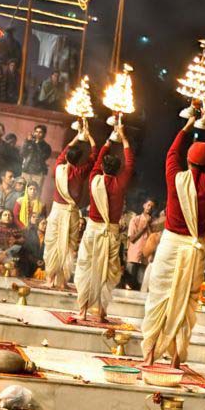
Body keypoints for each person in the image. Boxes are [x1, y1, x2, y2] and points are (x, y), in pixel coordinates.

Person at [141, 103, 205, 366]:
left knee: (159, 297)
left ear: (188, 161)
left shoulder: (174, 177)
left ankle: (149, 355)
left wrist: (188, 125)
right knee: (187, 303)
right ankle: (176, 358)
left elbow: (171, 152)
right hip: (194, 248)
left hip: (170, 245)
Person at [73, 124, 135, 323]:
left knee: (87, 268)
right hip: (111, 233)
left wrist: (108, 143)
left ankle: (82, 310)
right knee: (107, 273)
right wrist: (124, 139)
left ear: (102, 169)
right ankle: (100, 312)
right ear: (118, 170)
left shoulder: (94, 180)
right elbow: (131, 164)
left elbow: (97, 163)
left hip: (93, 230)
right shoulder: (120, 183)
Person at [43, 128, 94, 289]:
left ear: (66, 157)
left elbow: (63, 153)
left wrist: (76, 138)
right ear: (79, 160)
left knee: (53, 244)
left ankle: (50, 279)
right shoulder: (81, 171)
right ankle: (63, 281)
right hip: (72, 213)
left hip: (58, 211)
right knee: (69, 245)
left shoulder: (58, 168)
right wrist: (90, 138)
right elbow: (93, 157)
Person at [124, 198, 156, 289]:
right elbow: (132, 239)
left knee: (142, 286)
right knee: (128, 286)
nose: (150, 208)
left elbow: (154, 239)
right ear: (144, 205)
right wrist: (144, 228)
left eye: (152, 207)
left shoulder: (155, 223)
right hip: (133, 257)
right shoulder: (135, 220)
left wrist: (149, 226)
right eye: (148, 205)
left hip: (146, 259)